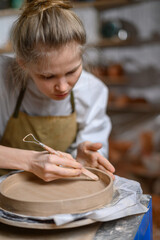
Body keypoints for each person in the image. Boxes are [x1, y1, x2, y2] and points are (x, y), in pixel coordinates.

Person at [0, 0, 115, 181]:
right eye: (47, 76)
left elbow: (94, 157)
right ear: (23, 63)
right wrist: (29, 161)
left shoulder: (92, 90)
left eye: (72, 71)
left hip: (60, 194)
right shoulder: (4, 79)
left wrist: (84, 158)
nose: (62, 87)